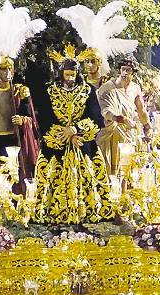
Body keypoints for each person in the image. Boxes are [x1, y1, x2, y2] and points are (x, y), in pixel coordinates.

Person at [33, 55, 111, 224]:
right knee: (50, 177)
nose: (69, 78)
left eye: (72, 75)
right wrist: (63, 134)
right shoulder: (49, 91)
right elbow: (44, 119)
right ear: (61, 73)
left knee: (89, 176)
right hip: (56, 144)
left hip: (82, 145)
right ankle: (49, 212)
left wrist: (76, 131)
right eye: (66, 75)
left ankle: (89, 211)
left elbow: (97, 119)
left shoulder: (88, 90)